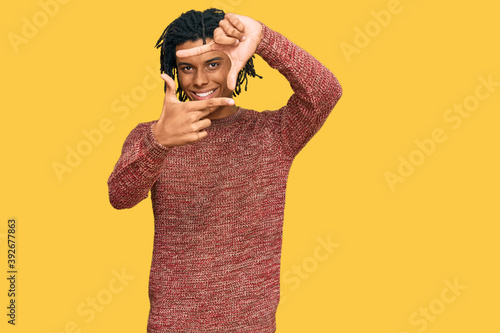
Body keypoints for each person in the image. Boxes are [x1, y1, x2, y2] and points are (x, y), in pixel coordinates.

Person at [108, 8, 342, 332]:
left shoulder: (273, 135)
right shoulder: (153, 135)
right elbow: (119, 195)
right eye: (187, 68)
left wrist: (264, 38)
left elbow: (326, 91)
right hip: (173, 326)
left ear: (236, 61)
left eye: (213, 64)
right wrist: (157, 142)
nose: (200, 80)